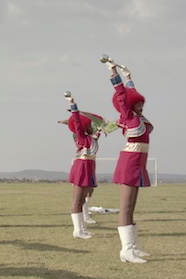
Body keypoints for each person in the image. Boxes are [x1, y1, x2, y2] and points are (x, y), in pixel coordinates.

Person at [104, 56, 153, 264]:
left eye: (142, 102)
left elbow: (130, 93)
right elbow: (123, 95)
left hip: (138, 161)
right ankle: (126, 250)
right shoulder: (128, 115)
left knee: (132, 206)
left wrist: (129, 77)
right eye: (138, 103)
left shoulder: (138, 117)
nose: (141, 105)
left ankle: (133, 246)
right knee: (125, 207)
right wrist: (114, 73)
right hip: (130, 161)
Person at [64, 92, 98, 239]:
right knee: (77, 200)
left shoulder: (91, 138)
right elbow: (77, 123)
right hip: (81, 168)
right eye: (90, 125)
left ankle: (82, 228)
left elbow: (99, 132)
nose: (92, 126)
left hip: (88, 167)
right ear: (84, 128)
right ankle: (77, 230)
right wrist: (73, 106)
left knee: (83, 199)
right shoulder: (81, 136)